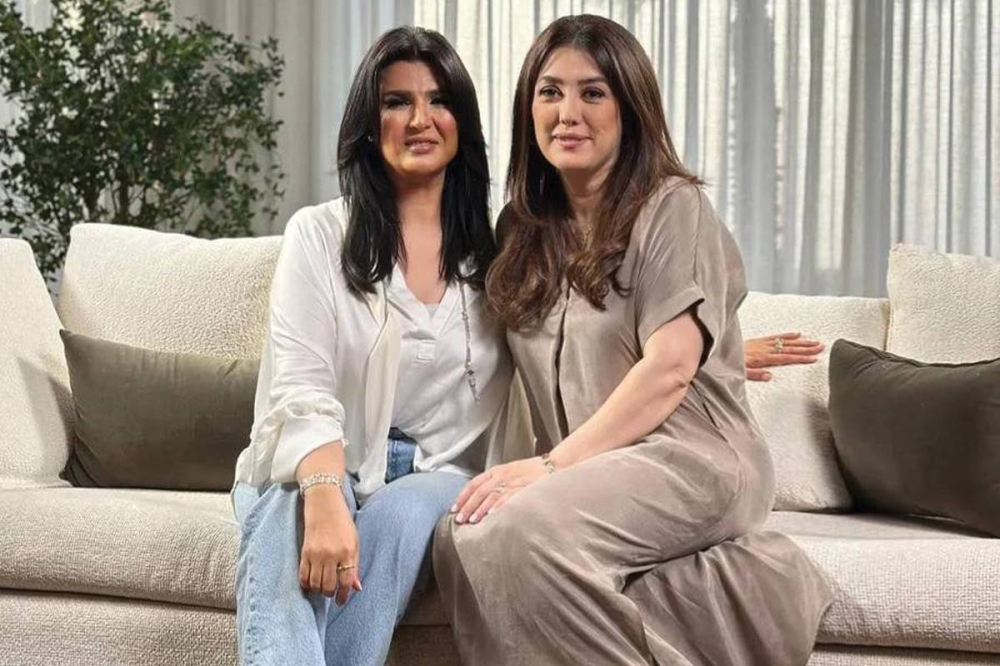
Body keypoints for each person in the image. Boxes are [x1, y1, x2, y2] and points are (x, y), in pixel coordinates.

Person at [434, 14, 833, 666]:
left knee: (525, 530)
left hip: (692, 460)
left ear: (629, 108)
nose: (568, 113)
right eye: (550, 91)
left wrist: (549, 467)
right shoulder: (519, 228)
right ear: (528, 108)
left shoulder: (673, 207)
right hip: (592, 467)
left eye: (593, 93)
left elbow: (670, 367)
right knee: (461, 532)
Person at [230, 27, 516, 666]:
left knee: (403, 514)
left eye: (438, 101)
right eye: (396, 102)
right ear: (368, 124)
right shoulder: (318, 235)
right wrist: (324, 491)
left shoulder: (502, 257)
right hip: (323, 457)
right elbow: (301, 384)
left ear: (463, 123)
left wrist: (700, 348)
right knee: (290, 507)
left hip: (437, 474)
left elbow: (583, 335)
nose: (419, 120)